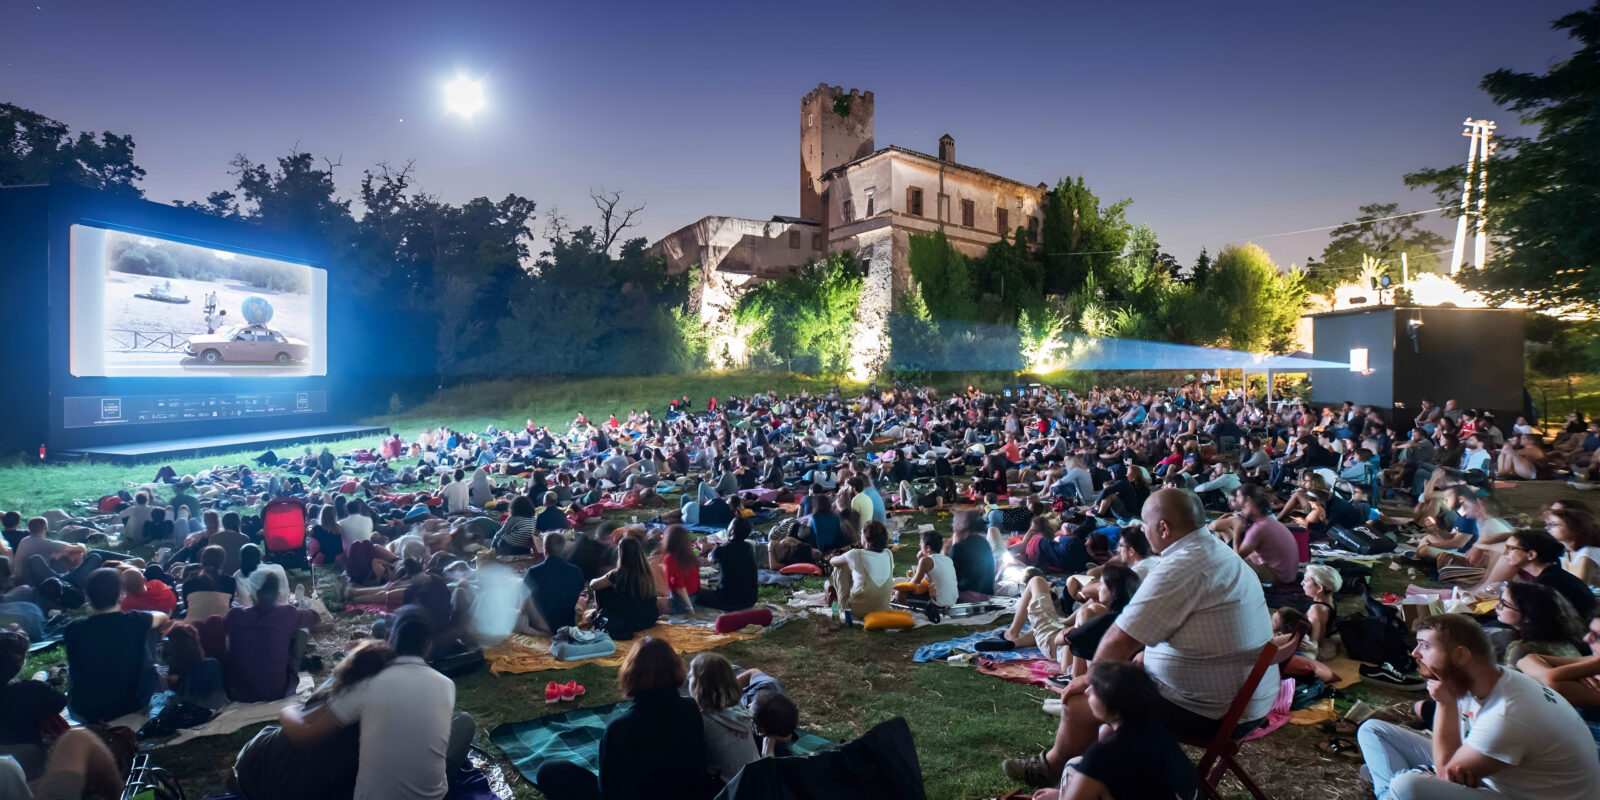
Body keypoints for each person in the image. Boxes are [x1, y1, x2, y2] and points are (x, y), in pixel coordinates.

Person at [1003, 489, 1277, 788]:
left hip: (1212, 710)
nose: (1144, 533)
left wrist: (1088, 678)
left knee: (1083, 700)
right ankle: (1095, 774)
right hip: (1248, 700)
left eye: (1146, 525)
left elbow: (1119, 639)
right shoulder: (1217, 552)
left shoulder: (1181, 566)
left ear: (1163, 527)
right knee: (1121, 685)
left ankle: (1054, 769)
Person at [1358, 613, 1600, 799]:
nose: (1414, 653)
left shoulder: (1508, 713)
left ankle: (1394, 789)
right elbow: (1457, 758)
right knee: (1372, 730)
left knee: (1406, 784)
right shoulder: (1485, 678)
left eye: (1425, 646)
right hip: (1502, 777)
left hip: (1526, 796)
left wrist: (1445, 702)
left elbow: (1446, 774)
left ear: (1461, 656)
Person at [278, 606, 473, 800]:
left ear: (389, 640)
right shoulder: (447, 685)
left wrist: (288, 710)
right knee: (464, 722)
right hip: (434, 797)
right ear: (428, 646)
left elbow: (306, 734)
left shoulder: (367, 682)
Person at [533, 637, 715, 800]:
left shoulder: (620, 729)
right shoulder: (691, 708)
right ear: (675, 670)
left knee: (550, 772)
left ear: (631, 674)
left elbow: (608, 789)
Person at [1031, 661, 1200, 800]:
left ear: (1112, 708)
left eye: (1094, 690)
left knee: (1073, 767)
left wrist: (1060, 797)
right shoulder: (1152, 726)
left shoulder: (1103, 754)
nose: (1087, 693)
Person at [64, 568, 165, 723]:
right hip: (131, 705)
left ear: (87, 596)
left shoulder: (72, 630)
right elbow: (162, 616)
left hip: (84, 710)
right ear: (122, 594)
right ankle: (148, 677)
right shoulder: (136, 620)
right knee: (149, 630)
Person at [223, 573, 320, 702]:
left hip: (239, 692)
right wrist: (296, 611)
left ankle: (299, 602)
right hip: (277, 691)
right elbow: (315, 617)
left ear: (255, 594)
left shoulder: (234, 615)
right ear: (278, 595)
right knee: (301, 631)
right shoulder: (286, 613)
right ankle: (299, 602)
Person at [689, 653, 758, 784]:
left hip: (731, 789)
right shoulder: (738, 706)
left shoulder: (702, 720)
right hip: (758, 778)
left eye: (691, 676)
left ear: (697, 685)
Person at [1495, 581, 1584, 667]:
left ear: (1528, 617)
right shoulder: (1565, 641)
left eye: (1504, 604)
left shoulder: (1523, 649)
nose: (1496, 605)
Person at [588, 536, 660, 639]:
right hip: (649, 619)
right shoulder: (646, 571)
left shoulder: (619, 573)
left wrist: (608, 576)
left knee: (602, 589)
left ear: (621, 553)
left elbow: (593, 585)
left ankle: (598, 616)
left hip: (631, 622)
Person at [519, 532, 585, 635]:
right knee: (581, 600)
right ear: (563, 550)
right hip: (567, 625)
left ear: (544, 550)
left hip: (539, 626)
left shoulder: (533, 572)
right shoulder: (576, 572)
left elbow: (524, 606)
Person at [1231, 484, 1299, 585]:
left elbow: (1237, 557)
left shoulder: (1259, 528)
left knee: (1231, 564)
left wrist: (1237, 528)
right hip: (1289, 574)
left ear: (1248, 500)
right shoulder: (1269, 521)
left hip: (1279, 578)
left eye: (1238, 496)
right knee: (1250, 555)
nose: (1236, 499)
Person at [827, 520, 895, 617]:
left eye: (862, 533)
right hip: (882, 608)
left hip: (857, 612)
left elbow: (832, 562)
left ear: (867, 538)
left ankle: (844, 607)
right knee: (855, 569)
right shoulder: (889, 553)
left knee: (841, 566)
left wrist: (832, 556)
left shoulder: (855, 554)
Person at [15, 517, 98, 589]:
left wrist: (61, 553)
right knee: (84, 554)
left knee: (67, 555)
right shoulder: (46, 544)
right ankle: (78, 580)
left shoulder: (24, 541)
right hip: (38, 580)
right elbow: (79, 548)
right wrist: (81, 546)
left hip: (21, 578)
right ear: (46, 528)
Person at [697, 518, 758, 612]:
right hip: (751, 600)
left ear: (732, 531)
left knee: (694, 591)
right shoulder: (749, 547)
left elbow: (711, 558)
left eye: (729, 525)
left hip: (727, 601)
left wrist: (703, 545)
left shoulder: (720, 550)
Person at [892, 530, 958, 608]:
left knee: (900, 593)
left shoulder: (925, 561)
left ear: (928, 548)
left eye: (921, 543)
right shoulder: (948, 559)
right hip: (953, 600)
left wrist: (897, 591)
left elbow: (913, 584)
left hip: (939, 604)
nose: (919, 545)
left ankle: (906, 612)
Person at [948, 510, 996, 601]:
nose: (953, 523)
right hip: (986, 595)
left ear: (964, 524)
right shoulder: (984, 542)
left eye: (955, 520)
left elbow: (950, 577)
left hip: (967, 596)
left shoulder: (959, 547)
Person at [660, 525, 703, 615]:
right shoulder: (689, 554)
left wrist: (690, 610)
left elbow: (680, 588)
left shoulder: (669, 559)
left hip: (682, 601)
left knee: (653, 602)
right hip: (695, 595)